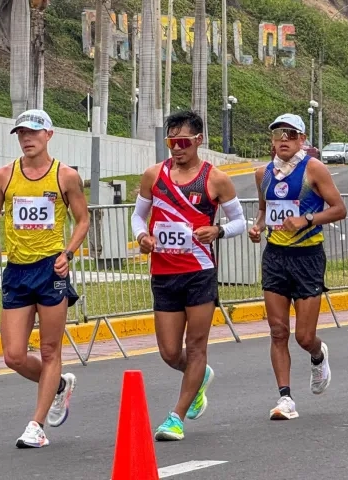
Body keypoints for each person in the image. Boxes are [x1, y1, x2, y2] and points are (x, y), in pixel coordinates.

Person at [130, 110, 246, 441]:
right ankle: (200, 377)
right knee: (169, 352)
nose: (176, 149)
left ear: (198, 141)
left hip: (199, 272)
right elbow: (138, 217)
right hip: (164, 273)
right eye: (171, 142)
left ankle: (175, 417)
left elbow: (240, 220)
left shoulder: (215, 179)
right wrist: (142, 238)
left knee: (195, 346)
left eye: (183, 142)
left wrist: (219, 231)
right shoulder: (154, 175)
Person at [0, 109, 90, 447]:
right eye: (20, 133)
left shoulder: (66, 176)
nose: (26, 139)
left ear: (48, 135)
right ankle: (58, 385)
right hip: (16, 270)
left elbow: (83, 220)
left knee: (49, 350)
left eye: (33, 132)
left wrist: (68, 253)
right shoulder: (4, 175)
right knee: (13, 356)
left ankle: (36, 426)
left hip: (50, 270)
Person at [247, 113, 347, 420]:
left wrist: (306, 219)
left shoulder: (313, 169)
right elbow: (265, 212)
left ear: (302, 139)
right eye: (279, 135)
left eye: (291, 135)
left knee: (304, 336)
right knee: (278, 331)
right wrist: (257, 226)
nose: (284, 140)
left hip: (307, 257)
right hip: (275, 256)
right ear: (272, 141)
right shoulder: (262, 173)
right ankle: (285, 398)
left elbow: (339, 209)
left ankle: (318, 355)